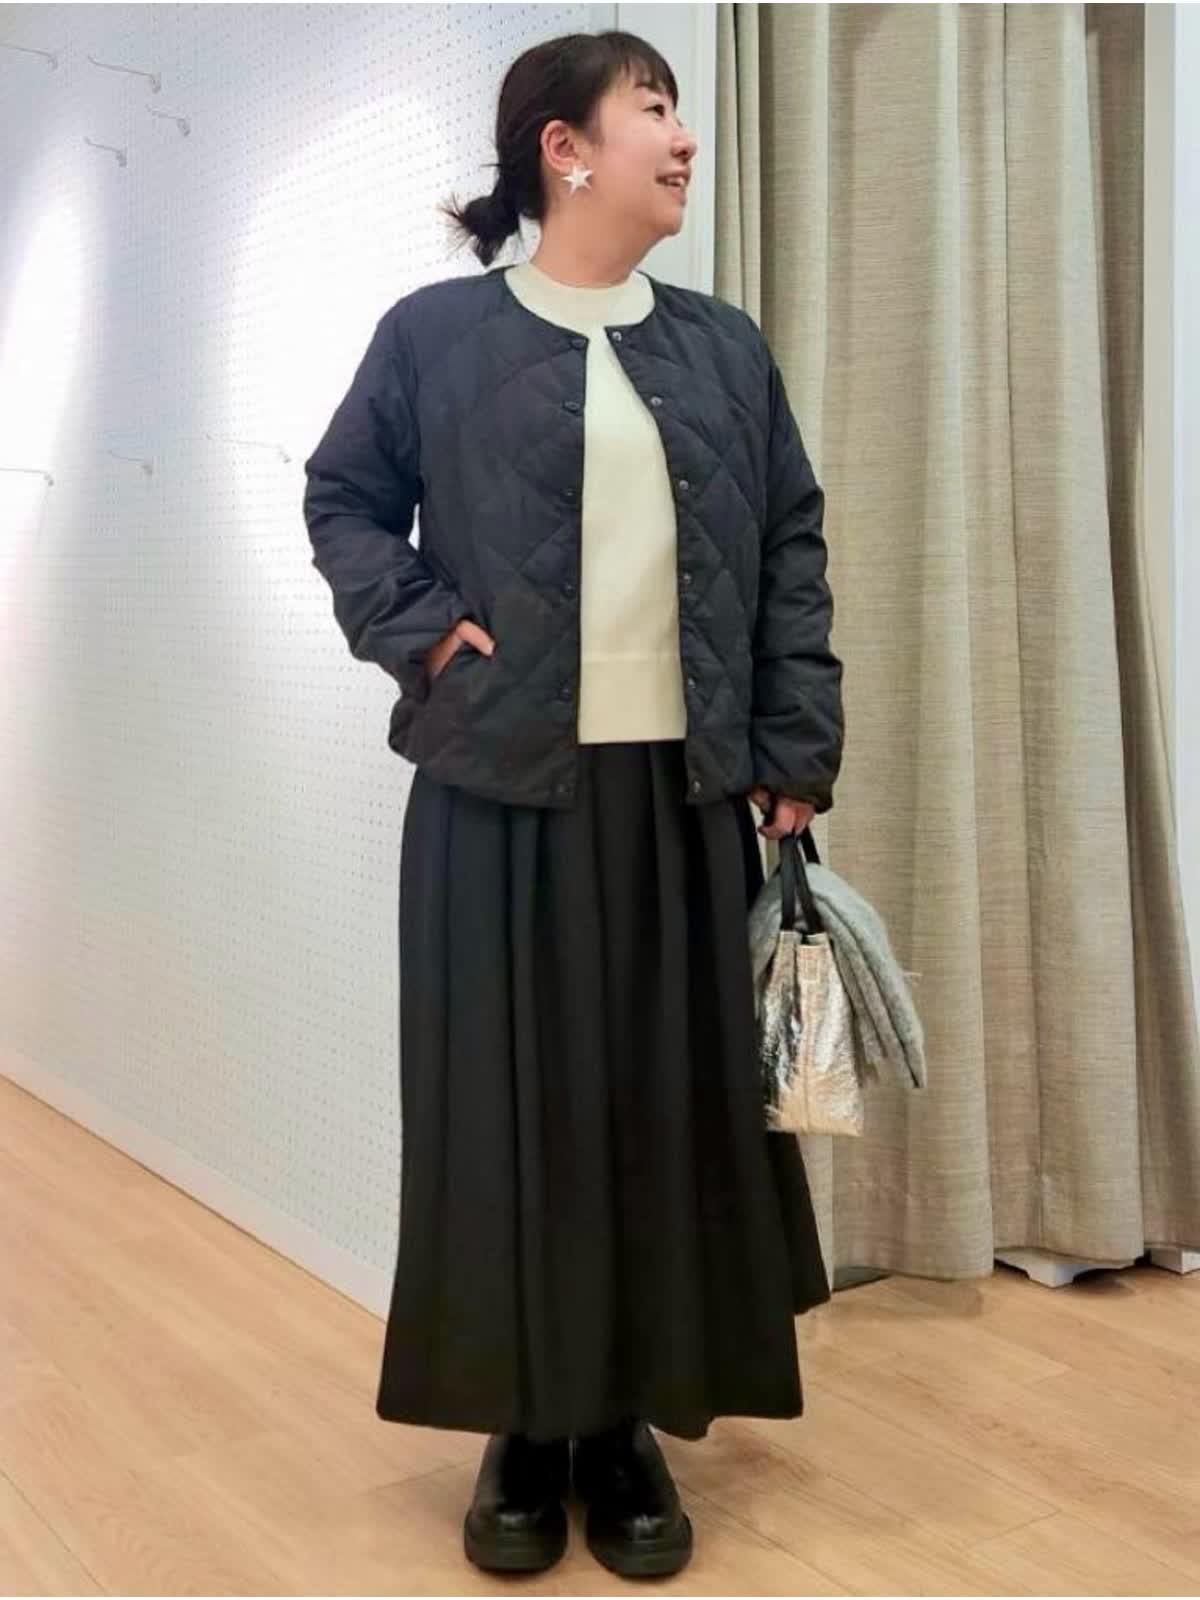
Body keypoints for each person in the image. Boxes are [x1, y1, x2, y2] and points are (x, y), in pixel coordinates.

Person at [302, 28, 844, 1582]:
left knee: (662, 1116)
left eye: (679, 110)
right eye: (653, 109)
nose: (684, 138)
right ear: (565, 147)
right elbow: (344, 499)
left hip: (683, 797)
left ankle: (622, 1426)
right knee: (505, 1118)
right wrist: (421, 630)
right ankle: (524, 1431)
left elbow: (789, 548)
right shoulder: (435, 337)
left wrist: (795, 747)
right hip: (499, 792)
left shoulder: (723, 348)